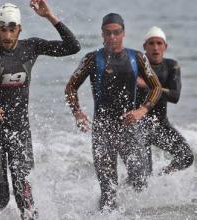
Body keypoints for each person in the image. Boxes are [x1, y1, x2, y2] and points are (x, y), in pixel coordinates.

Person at [0, 1, 80, 219]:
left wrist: (50, 16)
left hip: (20, 131)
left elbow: (73, 47)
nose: (7, 35)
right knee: (0, 199)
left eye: (11, 29)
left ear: (19, 29)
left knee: (25, 197)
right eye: (2, 28)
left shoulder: (30, 47)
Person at [65, 13, 162, 211]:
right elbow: (70, 87)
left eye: (116, 33)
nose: (112, 37)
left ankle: (125, 207)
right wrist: (77, 113)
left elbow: (156, 88)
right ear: (102, 34)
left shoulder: (138, 58)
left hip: (129, 128)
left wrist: (142, 110)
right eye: (107, 33)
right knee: (108, 190)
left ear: (123, 33)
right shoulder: (92, 59)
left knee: (140, 180)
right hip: (103, 131)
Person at [137, 26, 193, 175]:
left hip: (160, 125)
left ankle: (161, 177)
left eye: (159, 43)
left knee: (186, 156)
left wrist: (149, 86)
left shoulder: (171, 66)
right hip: (139, 127)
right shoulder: (136, 66)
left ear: (165, 46)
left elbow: (175, 96)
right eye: (151, 43)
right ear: (144, 47)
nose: (155, 47)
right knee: (143, 175)